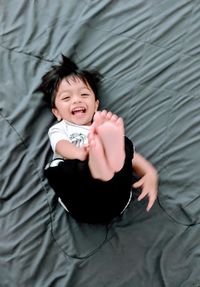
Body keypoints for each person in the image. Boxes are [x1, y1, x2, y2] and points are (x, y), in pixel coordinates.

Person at [38, 55, 158, 224]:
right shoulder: (60, 128)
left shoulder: (103, 127)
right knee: (61, 169)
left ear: (95, 105)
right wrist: (81, 154)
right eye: (66, 98)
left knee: (123, 147)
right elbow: (61, 146)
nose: (77, 99)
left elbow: (132, 158)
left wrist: (150, 173)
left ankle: (105, 161)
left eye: (84, 94)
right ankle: (98, 161)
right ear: (57, 112)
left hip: (115, 199)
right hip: (81, 200)